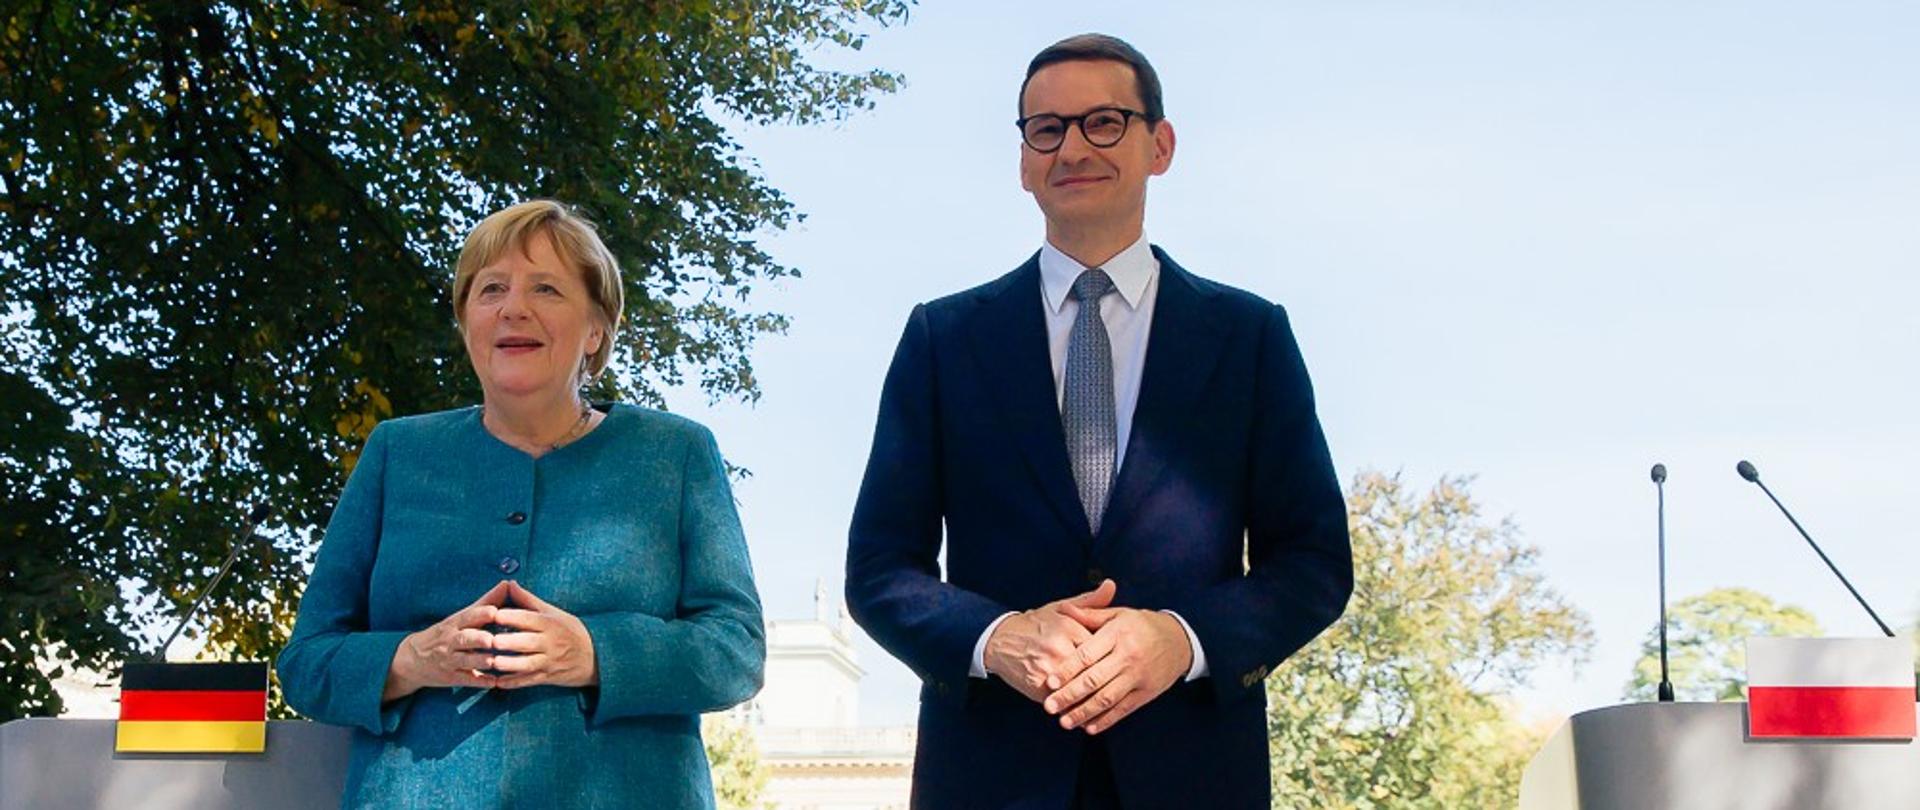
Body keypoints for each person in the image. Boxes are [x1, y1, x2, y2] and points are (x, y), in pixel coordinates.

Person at [844, 34, 1353, 808]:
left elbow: (1314, 563)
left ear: (1161, 144)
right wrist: (995, 639)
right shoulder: (941, 340)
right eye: (1047, 129)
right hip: (989, 775)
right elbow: (880, 569)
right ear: (1023, 162)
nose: (1073, 146)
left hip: (1191, 775)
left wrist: (1181, 640)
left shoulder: (1249, 337)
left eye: (1105, 122)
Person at [278, 200, 764, 809]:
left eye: (547, 289)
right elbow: (306, 663)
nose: (514, 308)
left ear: (596, 330)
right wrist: (413, 658)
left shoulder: (676, 453)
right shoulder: (396, 452)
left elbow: (736, 651)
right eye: (491, 290)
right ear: (467, 323)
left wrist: (593, 652)